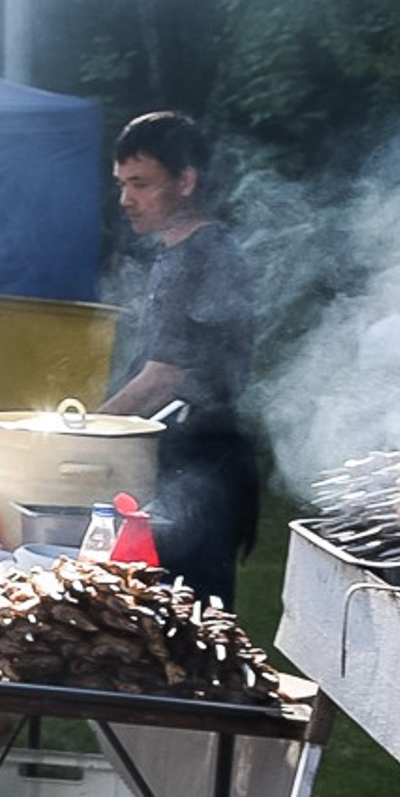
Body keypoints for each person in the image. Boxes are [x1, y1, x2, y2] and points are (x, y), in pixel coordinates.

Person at [100, 110, 258, 608]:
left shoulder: (201, 256)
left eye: (141, 183)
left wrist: (78, 435)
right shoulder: (180, 253)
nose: (126, 199)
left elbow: (163, 378)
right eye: (122, 184)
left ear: (186, 180)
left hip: (201, 475)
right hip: (178, 465)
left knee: (188, 635)